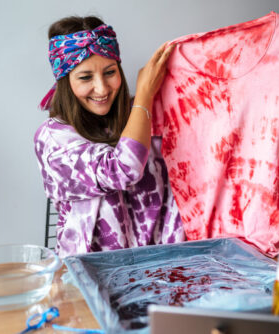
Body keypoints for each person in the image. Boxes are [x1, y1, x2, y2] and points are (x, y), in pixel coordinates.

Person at [34, 16, 185, 258]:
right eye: (85, 77)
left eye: (110, 72)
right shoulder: (52, 139)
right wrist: (145, 94)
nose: (102, 88)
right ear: (65, 81)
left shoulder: (142, 114)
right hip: (92, 272)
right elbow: (122, 169)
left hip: (164, 267)